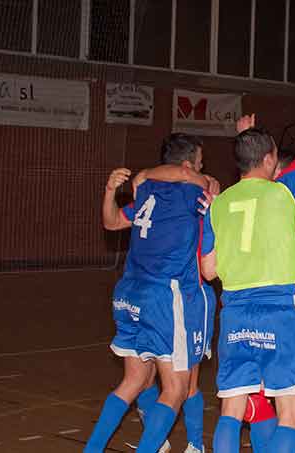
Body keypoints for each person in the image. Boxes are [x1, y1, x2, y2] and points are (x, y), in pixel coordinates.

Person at [200, 37, 295, 453]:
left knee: (230, 409)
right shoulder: (283, 191)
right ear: (269, 160)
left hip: (234, 313)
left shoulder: (217, 204)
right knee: (288, 411)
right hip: (279, 311)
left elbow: (208, 270)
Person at [86, 134, 214, 453]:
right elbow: (204, 181)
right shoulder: (192, 190)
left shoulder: (147, 191)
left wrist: (112, 191)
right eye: (198, 163)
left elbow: (112, 221)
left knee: (135, 381)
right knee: (176, 387)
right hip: (165, 295)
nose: (202, 170)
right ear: (187, 165)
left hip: (129, 291)